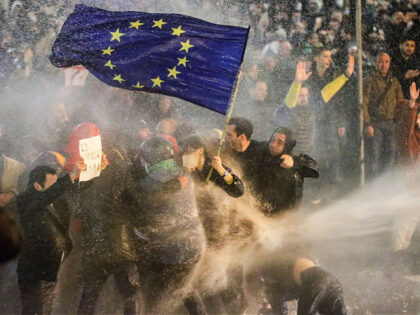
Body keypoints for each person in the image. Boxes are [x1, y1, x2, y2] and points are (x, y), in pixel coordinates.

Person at [133, 136, 205, 315]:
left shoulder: (150, 181)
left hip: (170, 248)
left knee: (158, 295)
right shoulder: (184, 173)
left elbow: (146, 197)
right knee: (184, 288)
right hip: (194, 243)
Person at [16, 160, 83, 315]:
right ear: (37, 187)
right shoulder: (26, 201)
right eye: (52, 185)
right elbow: (46, 197)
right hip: (34, 272)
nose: (56, 189)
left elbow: (71, 191)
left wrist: (90, 171)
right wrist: (70, 176)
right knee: (35, 311)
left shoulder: (57, 202)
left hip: (52, 271)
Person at [256, 127, 319, 216]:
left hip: (283, 216)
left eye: (279, 142)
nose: (273, 144)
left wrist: (294, 162)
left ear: (287, 146)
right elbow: (251, 145)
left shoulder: (292, 163)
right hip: (258, 208)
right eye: (272, 140)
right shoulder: (264, 151)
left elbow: (314, 168)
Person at [362, 52, 404, 178]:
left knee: (391, 153)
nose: (383, 65)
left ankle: (386, 183)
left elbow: (400, 102)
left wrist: (399, 121)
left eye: (386, 62)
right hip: (376, 123)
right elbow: (363, 103)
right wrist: (368, 123)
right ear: (375, 63)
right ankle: (373, 183)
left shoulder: (394, 81)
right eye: (380, 61)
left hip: (391, 123)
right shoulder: (369, 81)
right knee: (374, 154)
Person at [225, 117, 267, 193]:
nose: (224, 137)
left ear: (242, 137)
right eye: (225, 132)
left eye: (229, 135)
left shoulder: (260, 150)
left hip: (256, 196)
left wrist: (291, 160)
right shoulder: (225, 148)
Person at [395, 82, 420, 164]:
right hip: (408, 170)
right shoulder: (410, 135)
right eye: (419, 117)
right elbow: (408, 123)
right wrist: (412, 103)